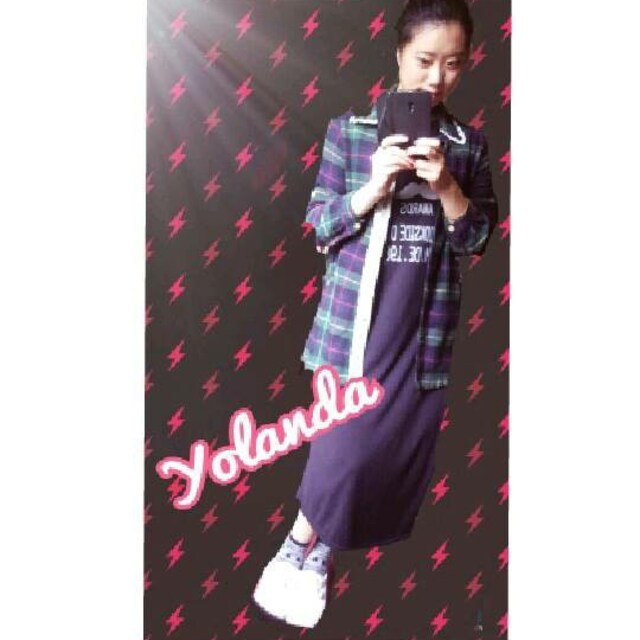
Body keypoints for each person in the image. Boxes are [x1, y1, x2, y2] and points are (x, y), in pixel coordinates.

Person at [253, 0, 498, 628]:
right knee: (345, 451)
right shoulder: (350, 132)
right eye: (425, 60)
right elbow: (320, 227)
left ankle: (314, 554)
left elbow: (477, 239)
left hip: (421, 337)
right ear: (398, 54)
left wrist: (447, 187)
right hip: (352, 332)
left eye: (453, 64)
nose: (437, 79)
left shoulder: (468, 147)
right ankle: (298, 548)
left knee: (385, 458)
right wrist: (371, 188)